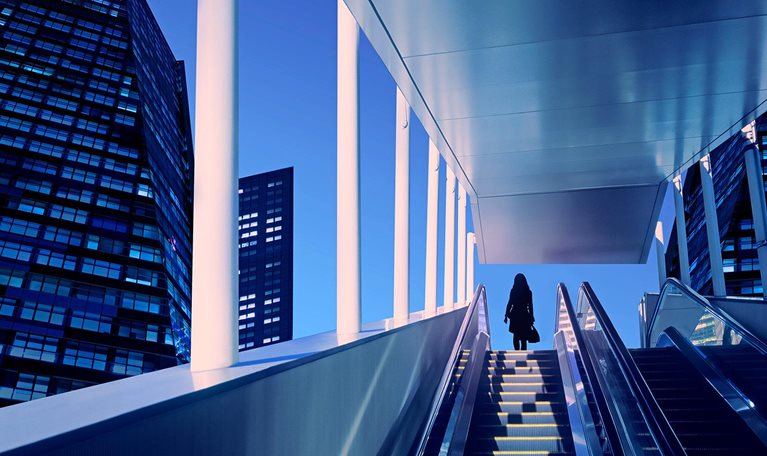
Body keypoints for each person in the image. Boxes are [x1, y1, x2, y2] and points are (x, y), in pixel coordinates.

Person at [504, 273, 535, 350]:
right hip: (524, 314)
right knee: (524, 337)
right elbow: (530, 306)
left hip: (515, 314)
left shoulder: (513, 291)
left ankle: (516, 351)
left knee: (516, 335)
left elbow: (510, 303)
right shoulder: (528, 292)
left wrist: (506, 315)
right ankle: (523, 353)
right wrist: (531, 317)